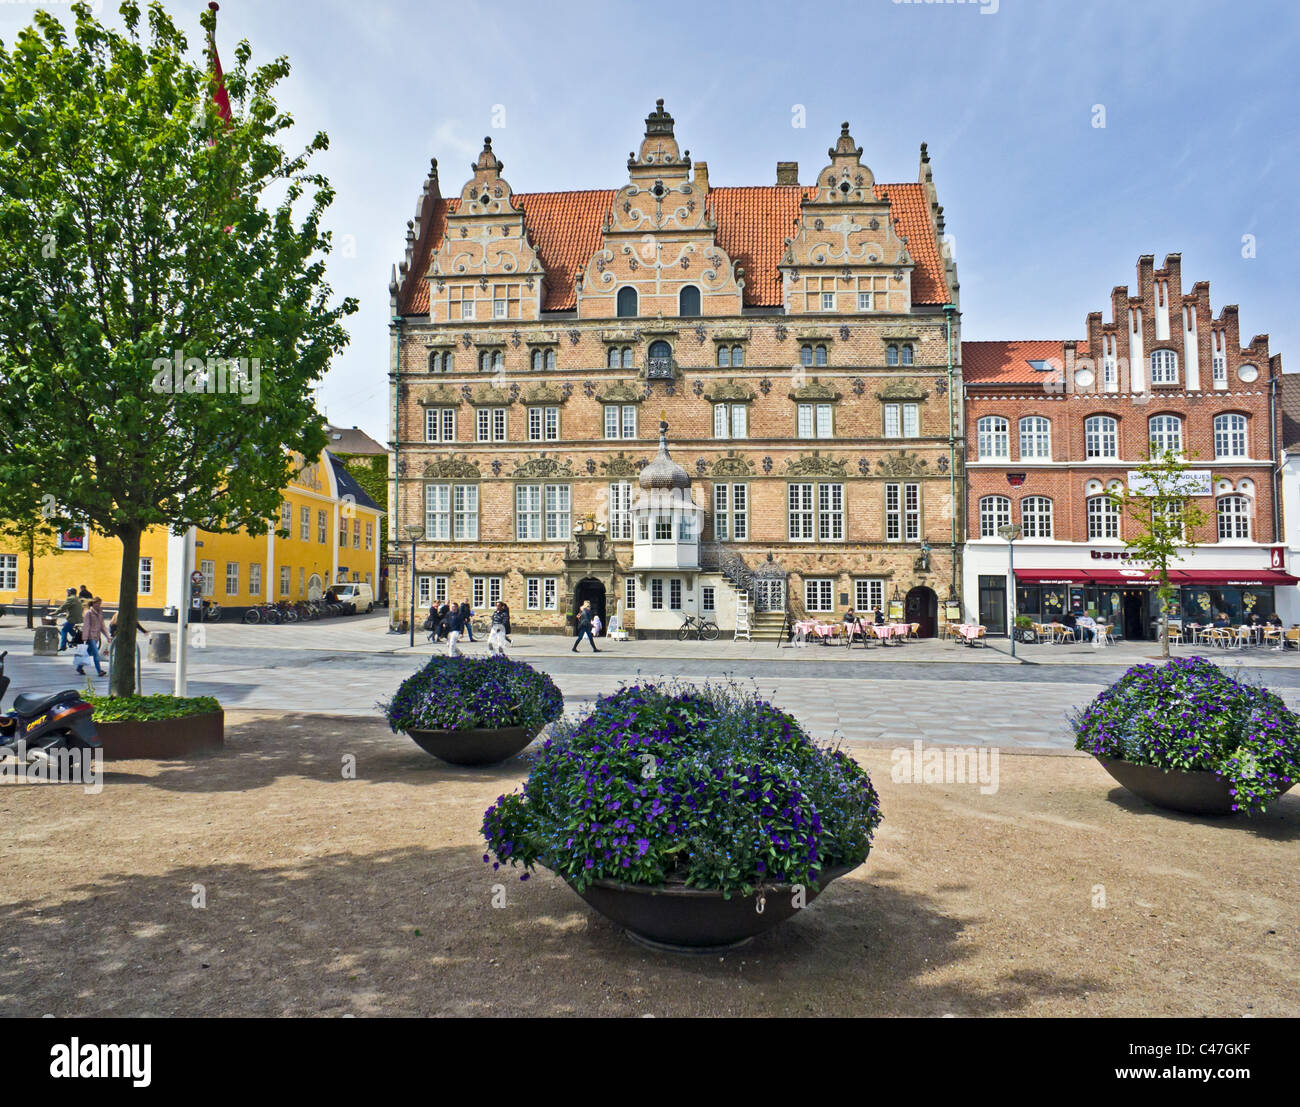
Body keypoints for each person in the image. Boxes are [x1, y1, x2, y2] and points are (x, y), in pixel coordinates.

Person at [80, 597, 107, 677]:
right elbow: (86, 626)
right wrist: (84, 638)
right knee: (96, 654)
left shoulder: (99, 613)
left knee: (87, 653)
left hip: (96, 636)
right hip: (90, 636)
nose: (99, 605)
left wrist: (107, 636)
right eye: (97, 603)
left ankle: (79, 667)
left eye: (100, 603)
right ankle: (99, 671)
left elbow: (102, 626)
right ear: (93, 603)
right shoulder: (88, 613)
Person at [53, 587, 83, 652]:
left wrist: (55, 612)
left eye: (67, 592)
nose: (67, 593)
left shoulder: (70, 599)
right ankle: (77, 639)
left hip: (73, 619)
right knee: (69, 628)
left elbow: (63, 607)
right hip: (78, 618)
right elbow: (74, 608)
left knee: (63, 630)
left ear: (70, 592)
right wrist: (66, 613)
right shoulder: (77, 598)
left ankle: (63, 646)